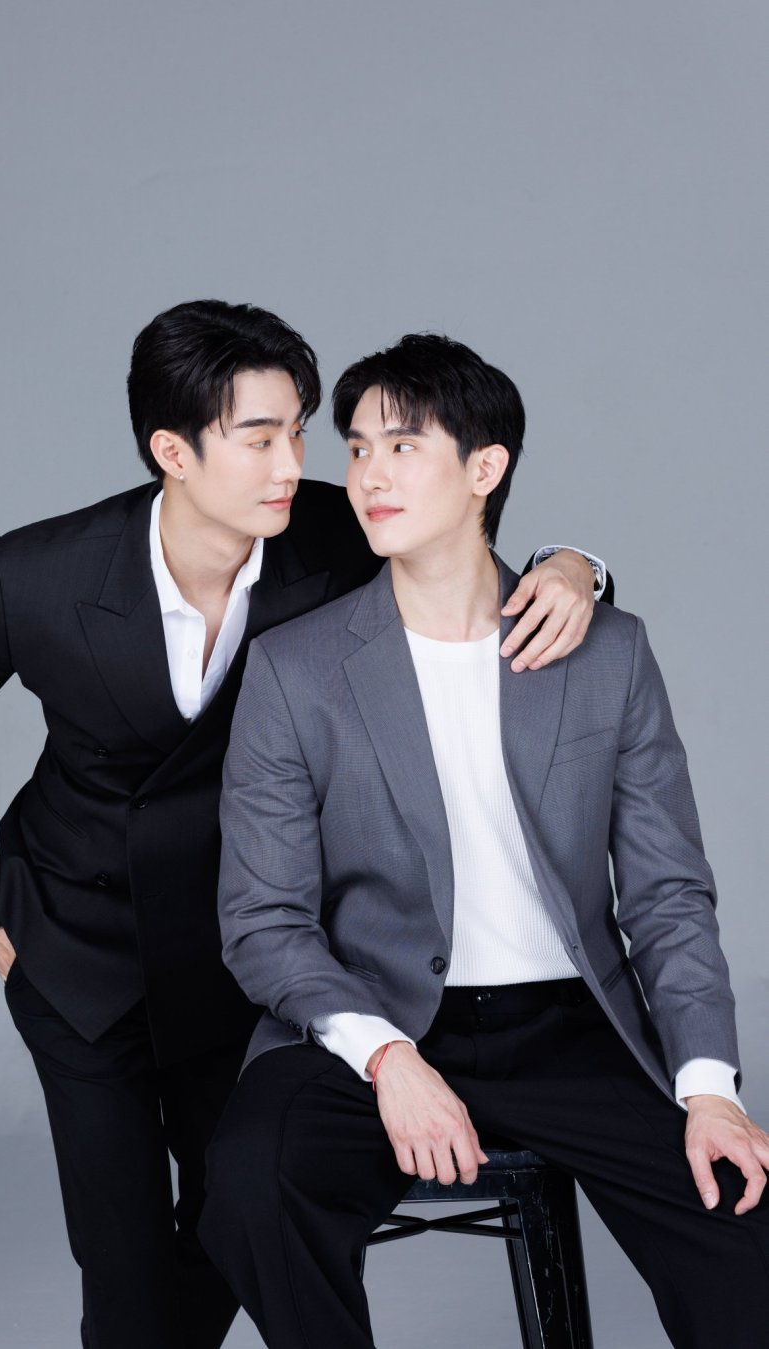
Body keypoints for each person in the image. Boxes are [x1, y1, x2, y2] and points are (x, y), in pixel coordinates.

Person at [0, 304, 605, 1349]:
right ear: (173, 452)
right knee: (122, 1256)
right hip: (83, 942)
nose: (293, 464)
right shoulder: (36, 573)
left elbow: (470, 550)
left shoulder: (332, 532)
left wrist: (577, 563)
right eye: (259, 438)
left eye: (297, 430)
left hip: (249, 948)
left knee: (238, 1211)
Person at [201, 332, 769, 1349]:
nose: (368, 474)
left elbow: (668, 895)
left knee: (746, 1228)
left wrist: (709, 1089)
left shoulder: (606, 651)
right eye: (357, 447)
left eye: (402, 446)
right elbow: (262, 917)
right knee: (252, 1182)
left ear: (485, 468)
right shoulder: (296, 670)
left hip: (573, 1029)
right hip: (370, 1021)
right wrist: (387, 1057)